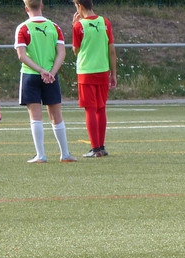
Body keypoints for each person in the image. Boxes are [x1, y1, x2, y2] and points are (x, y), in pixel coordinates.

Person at [14, 0, 76, 163]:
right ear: (41, 6)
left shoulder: (23, 28)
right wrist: (51, 72)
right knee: (56, 115)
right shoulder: (54, 27)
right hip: (51, 76)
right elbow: (61, 53)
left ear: (26, 8)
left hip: (30, 75)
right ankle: (65, 153)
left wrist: (40, 70)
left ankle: (41, 155)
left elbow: (22, 55)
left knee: (36, 117)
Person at [72, 0, 116, 157]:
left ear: (80, 6)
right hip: (103, 70)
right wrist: (113, 73)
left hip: (86, 72)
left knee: (90, 109)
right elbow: (111, 50)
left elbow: (76, 50)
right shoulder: (105, 22)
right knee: (101, 108)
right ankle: (101, 147)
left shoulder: (79, 26)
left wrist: (74, 25)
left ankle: (95, 149)